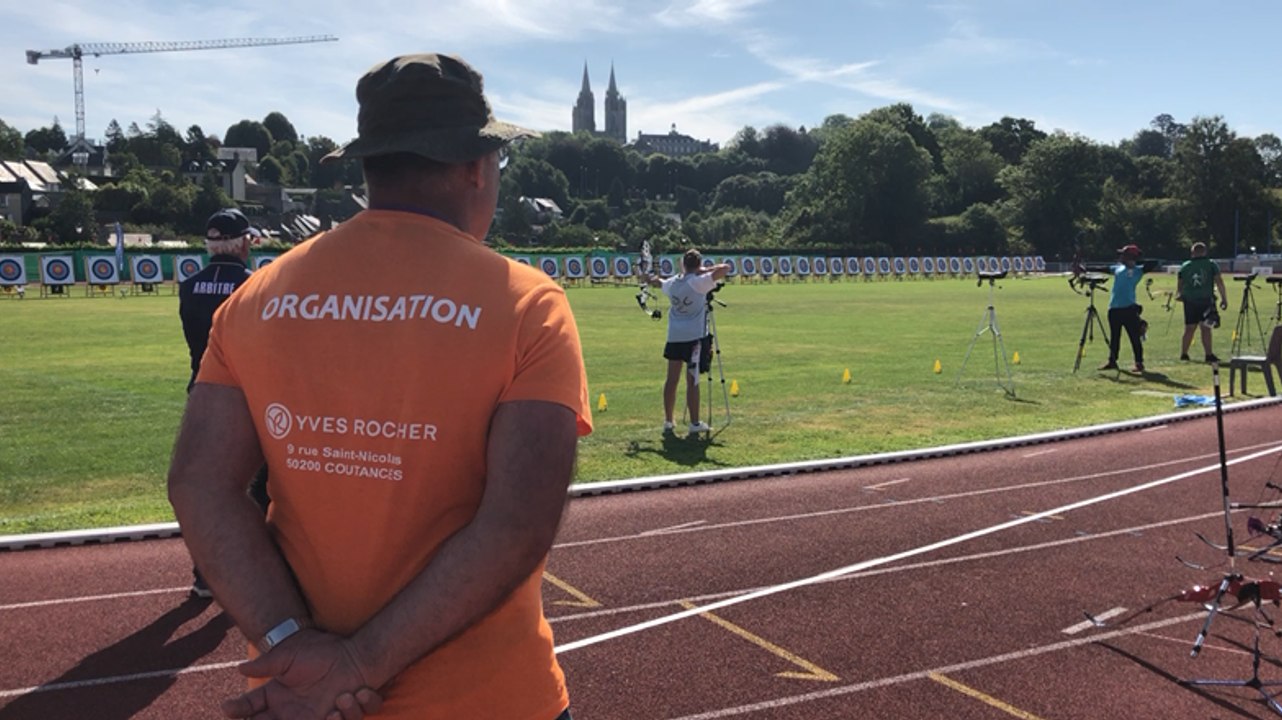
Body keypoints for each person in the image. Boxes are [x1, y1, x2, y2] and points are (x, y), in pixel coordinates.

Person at [166, 53, 592, 720]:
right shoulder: (526, 303)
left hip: (299, 700)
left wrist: (289, 643)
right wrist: (359, 665)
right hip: (490, 700)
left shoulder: (256, 298)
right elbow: (513, 525)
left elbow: (201, 483)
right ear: (477, 167)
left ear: (369, 168)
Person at [176, 207, 268, 600]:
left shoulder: (188, 284)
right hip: (248, 394)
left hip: (202, 388)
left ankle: (204, 574)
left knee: (209, 486)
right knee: (260, 489)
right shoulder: (255, 284)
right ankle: (261, 574)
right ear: (242, 242)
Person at [646, 248, 730, 435]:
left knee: (672, 379)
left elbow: (659, 282)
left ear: (683, 264)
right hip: (693, 339)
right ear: (698, 264)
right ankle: (694, 423)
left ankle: (669, 421)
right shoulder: (698, 283)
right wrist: (704, 270)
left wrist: (649, 279)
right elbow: (725, 268)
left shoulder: (674, 283)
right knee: (692, 380)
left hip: (674, 337)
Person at [1176, 241, 1229, 363]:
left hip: (1189, 300)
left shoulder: (1185, 265)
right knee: (1206, 328)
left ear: (1192, 252)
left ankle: (1184, 353)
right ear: (1205, 252)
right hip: (1206, 300)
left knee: (1189, 328)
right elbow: (1219, 282)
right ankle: (1208, 354)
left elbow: (1180, 282)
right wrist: (1224, 298)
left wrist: (1179, 293)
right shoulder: (1211, 264)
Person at [1099, 244, 1147, 373]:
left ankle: (1139, 362)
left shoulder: (1138, 270)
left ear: (1130, 256)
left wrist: (1135, 260)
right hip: (1114, 308)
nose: (1121, 257)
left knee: (1134, 336)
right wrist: (1084, 268)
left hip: (1129, 309)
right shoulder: (1117, 268)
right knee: (1115, 337)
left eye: (1124, 254)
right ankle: (1112, 361)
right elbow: (1103, 269)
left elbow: (1154, 263)